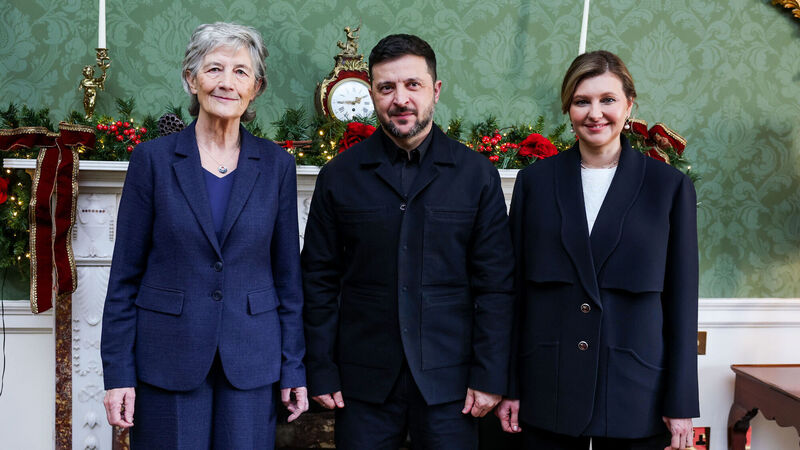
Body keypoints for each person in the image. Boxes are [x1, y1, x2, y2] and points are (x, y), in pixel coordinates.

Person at [302, 34, 515, 449]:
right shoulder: (339, 176)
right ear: (373, 95)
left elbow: (496, 286)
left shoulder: (476, 175)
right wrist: (321, 369)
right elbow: (318, 281)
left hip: (452, 385)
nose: (400, 99)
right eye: (386, 87)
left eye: (413, 84)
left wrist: (490, 375)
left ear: (436, 90)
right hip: (362, 384)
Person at [100, 22, 307, 448]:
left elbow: (289, 280)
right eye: (214, 69)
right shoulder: (152, 161)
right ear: (191, 79)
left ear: (256, 88)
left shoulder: (277, 166)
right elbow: (124, 278)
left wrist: (294, 368)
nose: (226, 82)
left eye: (240, 72)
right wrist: (118, 374)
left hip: (251, 360)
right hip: (167, 359)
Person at [495, 50, 699, 450]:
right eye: (581, 101)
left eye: (608, 100)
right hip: (546, 387)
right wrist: (509, 385)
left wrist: (681, 402)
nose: (595, 113)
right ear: (567, 108)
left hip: (635, 393)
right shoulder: (535, 182)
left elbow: (681, 302)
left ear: (629, 105)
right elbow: (513, 293)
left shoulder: (669, 187)